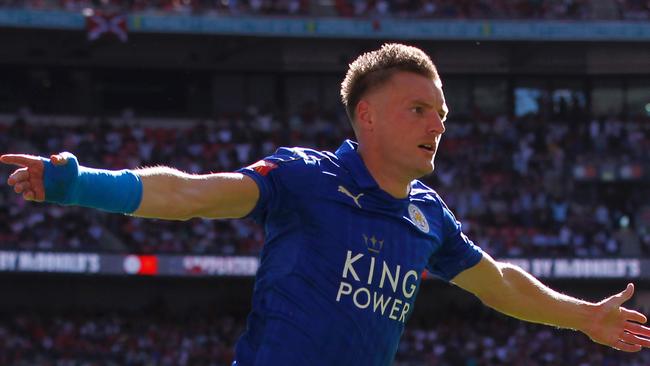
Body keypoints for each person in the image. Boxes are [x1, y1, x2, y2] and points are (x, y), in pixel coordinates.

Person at [2, 43, 650, 365]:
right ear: (366, 116)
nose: (438, 125)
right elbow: (190, 193)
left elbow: (499, 284)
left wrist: (582, 318)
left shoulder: (428, 215)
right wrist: (79, 182)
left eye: (443, 114)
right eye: (419, 109)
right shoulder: (304, 178)